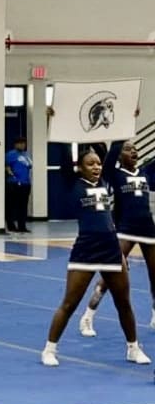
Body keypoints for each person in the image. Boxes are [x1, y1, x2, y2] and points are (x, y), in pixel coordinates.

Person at [40, 141, 150, 367]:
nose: (96, 167)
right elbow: (63, 158)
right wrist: (56, 126)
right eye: (90, 164)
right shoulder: (73, 183)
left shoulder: (105, 180)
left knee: (124, 302)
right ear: (80, 167)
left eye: (98, 164)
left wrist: (123, 123)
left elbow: (112, 155)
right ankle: (50, 349)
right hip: (86, 249)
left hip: (111, 248)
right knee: (70, 303)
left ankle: (133, 348)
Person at [78, 139, 155, 336]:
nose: (133, 152)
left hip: (148, 229)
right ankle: (88, 316)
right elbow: (110, 156)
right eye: (128, 150)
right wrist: (121, 134)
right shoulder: (115, 174)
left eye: (135, 149)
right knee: (108, 275)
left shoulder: (145, 172)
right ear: (121, 156)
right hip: (125, 229)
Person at [5, 137, 33, 233]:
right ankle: (11, 225)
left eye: (23, 143)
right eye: (20, 143)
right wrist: (10, 173)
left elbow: (29, 166)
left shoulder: (26, 155)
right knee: (12, 205)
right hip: (14, 183)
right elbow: (7, 166)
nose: (22, 145)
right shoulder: (10, 154)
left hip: (25, 183)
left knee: (23, 205)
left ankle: (22, 226)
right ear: (16, 144)